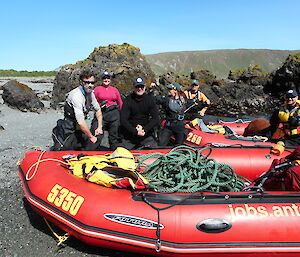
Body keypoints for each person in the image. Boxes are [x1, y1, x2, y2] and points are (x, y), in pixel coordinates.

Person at [51, 70, 103, 150]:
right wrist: (91, 137)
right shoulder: (76, 96)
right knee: (66, 149)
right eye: (87, 82)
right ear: (81, 82)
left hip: (80, 125)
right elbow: (81, 122)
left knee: (93, 143)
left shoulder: (90, 93)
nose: (90, 85)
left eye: (92, 83)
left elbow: (98, 110)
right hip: (69, 126)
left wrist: (99, 127)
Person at [119, 77, 159, 149]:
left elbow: (155, 118)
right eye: (137, 86)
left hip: (146, 134)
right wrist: (135, 131)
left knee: (154, 153)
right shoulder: (128, 100)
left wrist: (144, 129)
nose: (139, 89)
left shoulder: (149, 100)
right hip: (130, 134)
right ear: (134, 87)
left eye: (141, 86)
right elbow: (123, 120)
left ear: (144, 87)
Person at [91, 71, 123, 150]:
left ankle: (114, 153)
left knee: (114, 136)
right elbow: (92, 102)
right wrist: (100, 106)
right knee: (97, 133)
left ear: (110, 79)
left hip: (114, 114)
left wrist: (122, 115)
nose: (106, 80)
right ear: (101, 79)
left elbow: (120, 102)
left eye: (108, 78)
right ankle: (93, 152)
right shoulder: (97, 89)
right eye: (104, 78)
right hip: (102, 114)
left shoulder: (114, 90)